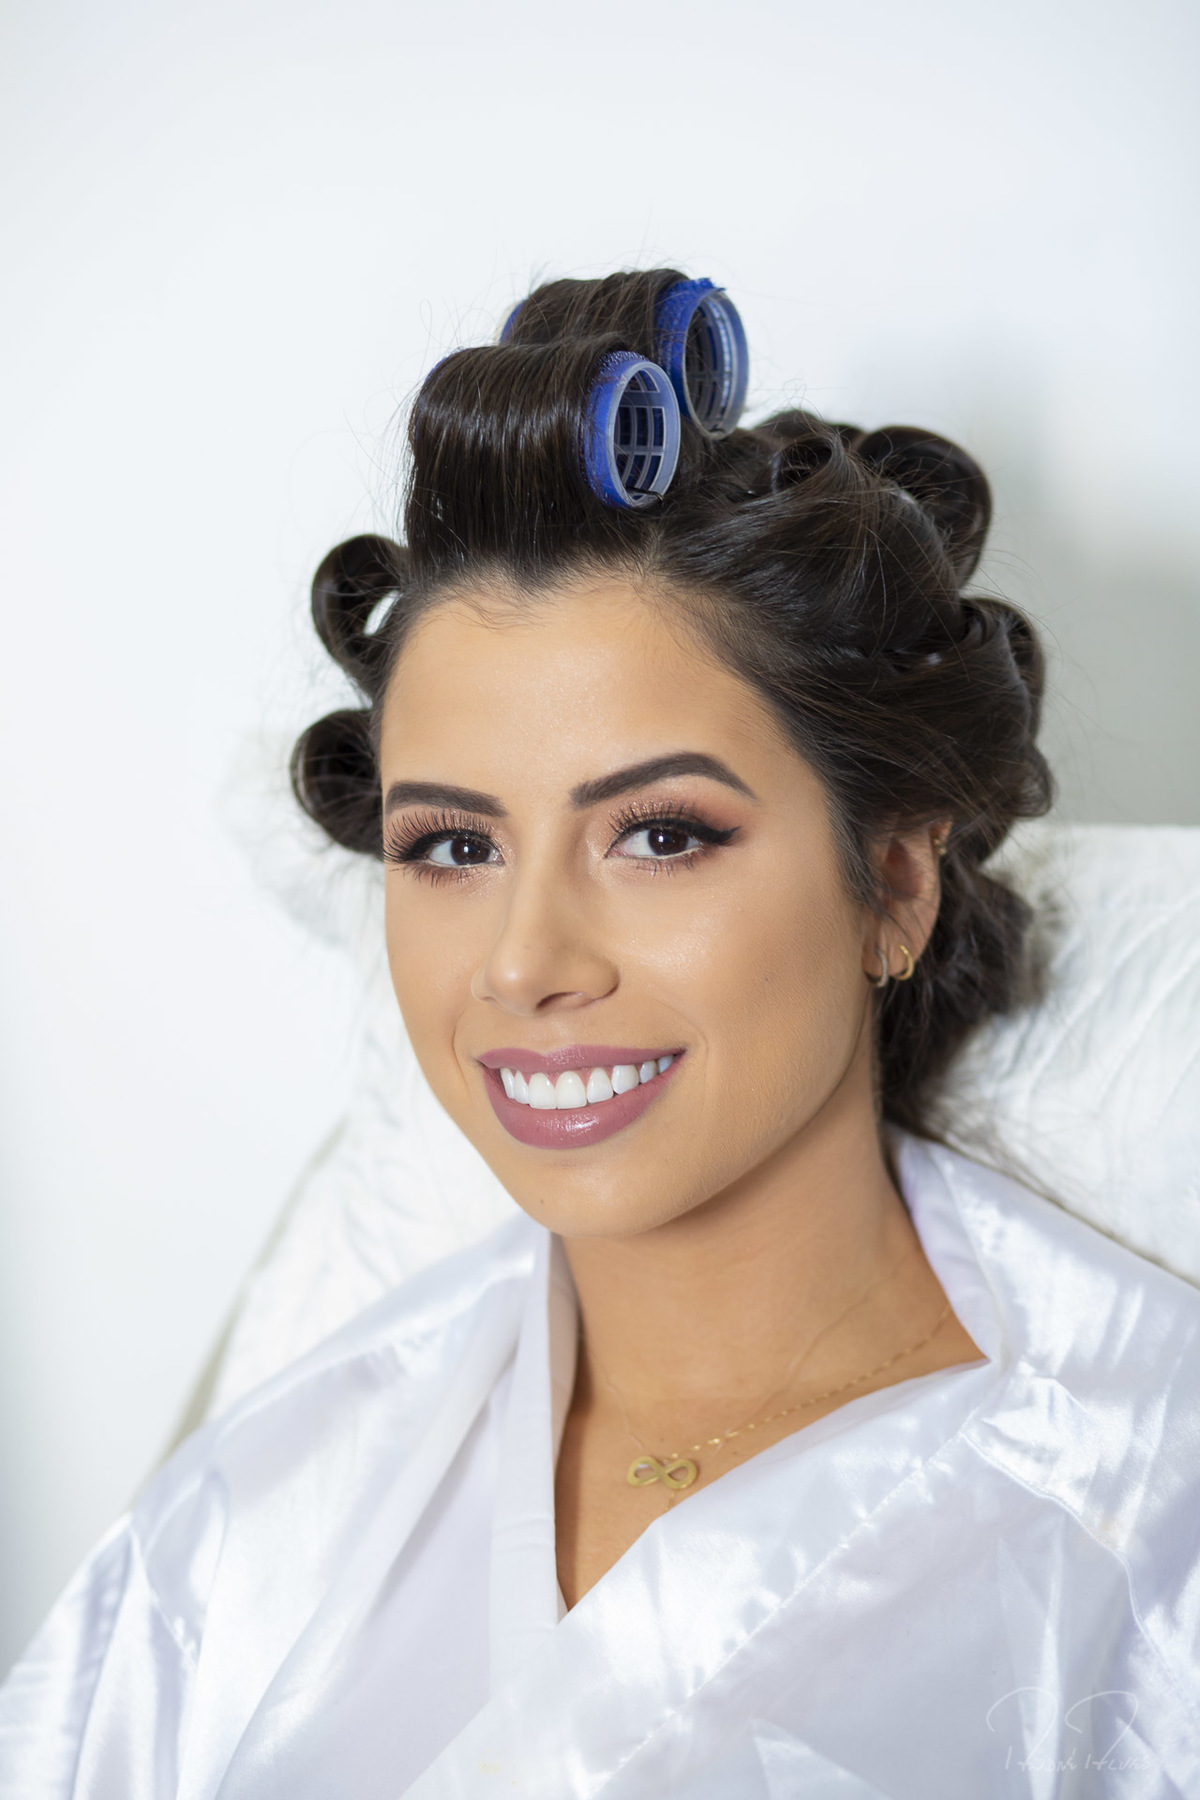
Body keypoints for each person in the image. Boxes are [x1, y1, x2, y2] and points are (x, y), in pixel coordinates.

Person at [3, 269, 1198, 1799]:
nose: (525, 964)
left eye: (660, 835)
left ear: (895, 881)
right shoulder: (255, 1522)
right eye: (453, 847)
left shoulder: (1152, 1524)